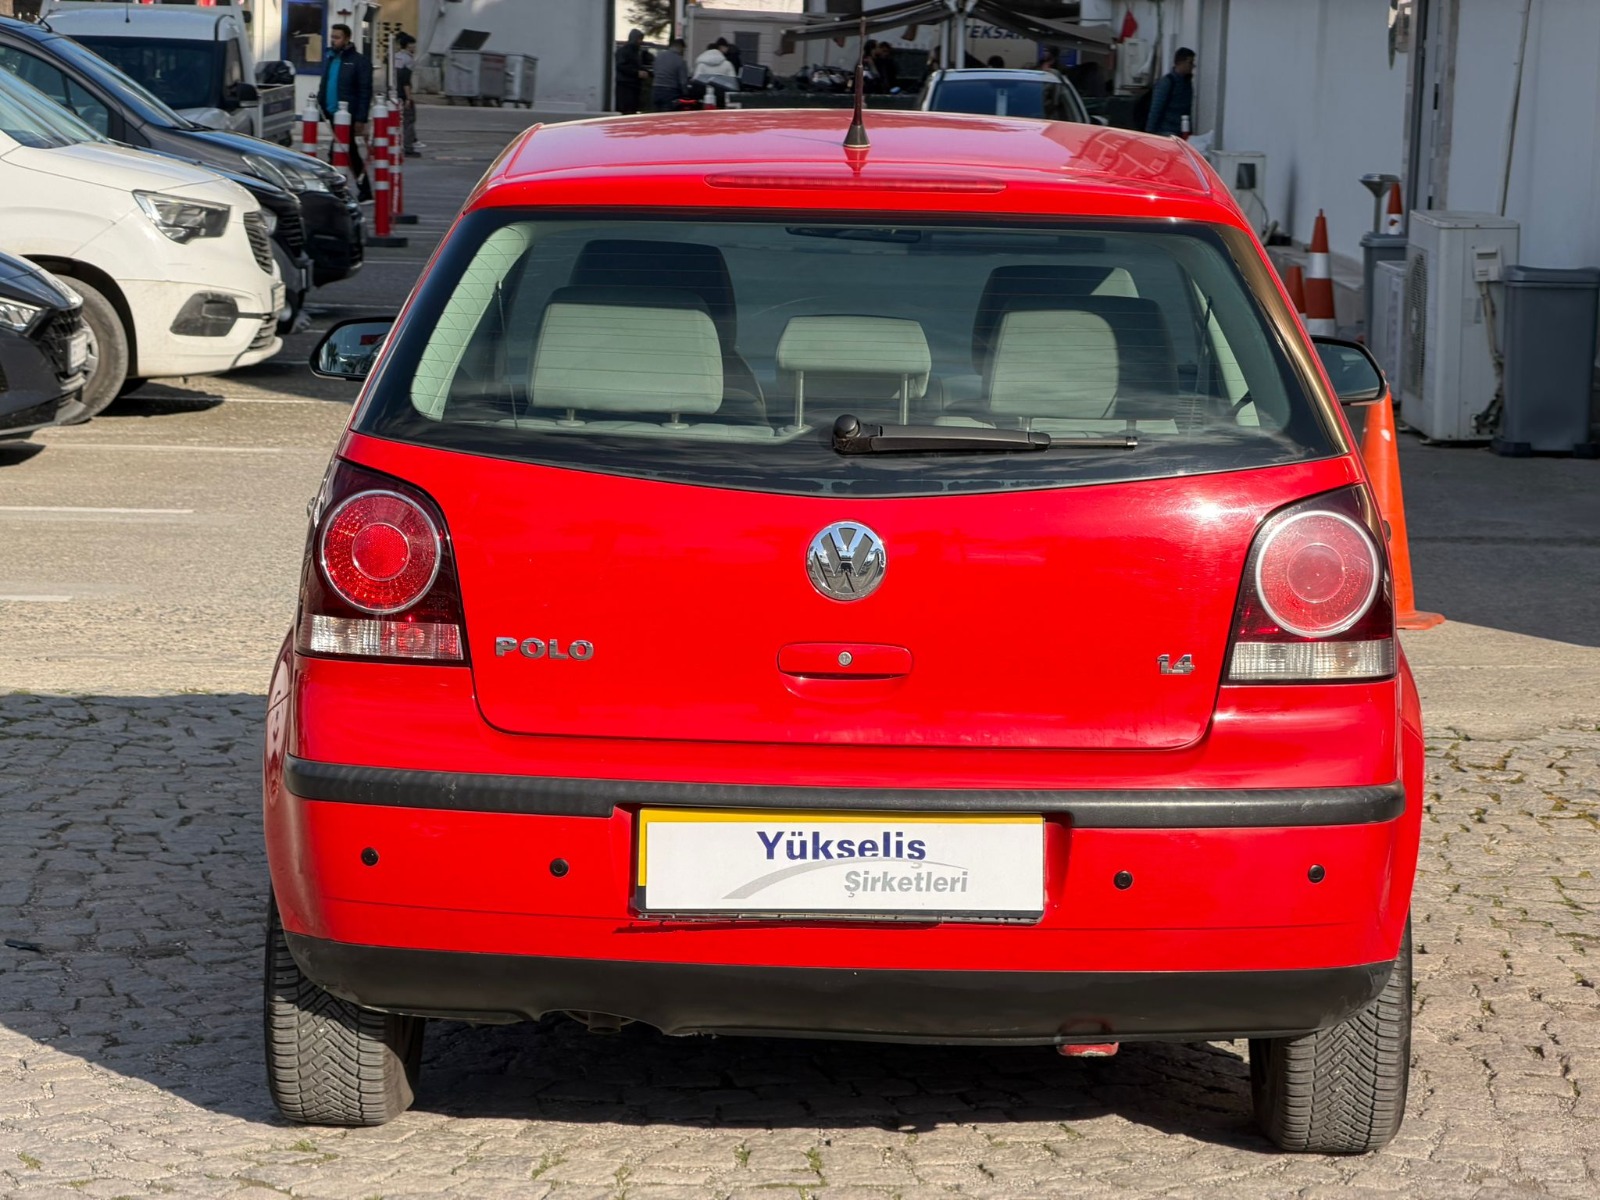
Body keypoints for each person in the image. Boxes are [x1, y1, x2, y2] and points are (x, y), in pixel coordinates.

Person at [319, 23, 374, 200]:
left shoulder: (359, 61)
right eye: (332, 37)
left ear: (347, 38)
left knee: (343, 153)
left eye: (337, 37)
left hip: (348, 116)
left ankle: (353, 190)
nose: (333, 41)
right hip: (332, 113)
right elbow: (326, 83)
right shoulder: (331, 58)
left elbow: (365, 91)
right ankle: (354, 190)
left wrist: (361, 118)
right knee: (346, 153)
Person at [1145, 46, 1195, 135]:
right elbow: (1156, 109)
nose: (1192, 67)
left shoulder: (1187, 82)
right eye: (1190, 63)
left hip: (1182, 131)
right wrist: (1149, 133)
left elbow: (1187, 110)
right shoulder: (1167, 82)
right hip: (1165, 131)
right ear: (1180, 62)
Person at [393, 32, 422, 157]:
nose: (414, 47)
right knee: (409, 119)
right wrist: (408, 97)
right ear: (407, 45)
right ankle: (409, 147)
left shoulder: (396, 56)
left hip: (394, 92)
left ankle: (411, 140)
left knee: (396, 120)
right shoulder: (408, 59)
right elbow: (405, 80)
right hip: (403, 93)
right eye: (413, 45)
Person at [692, 41, 738, 109]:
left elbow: (695, 82)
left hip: (705, 99)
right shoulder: (727, 64)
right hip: (723, 100)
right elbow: (734, 83)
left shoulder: (701, 65)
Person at [614, 28, 649, 114]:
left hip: (632, 85)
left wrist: (644, 71)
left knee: (631, 109)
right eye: (639, 39)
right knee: (627, 110)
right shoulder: (626, 51)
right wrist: (637, 73)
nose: (641, 41)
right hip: (626, 86)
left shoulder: (635, 51)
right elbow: (621, 66)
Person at [650, 37, 691, 111]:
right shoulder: (680, 61)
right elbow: (683, 82)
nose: (683, 52)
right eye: (683, 50)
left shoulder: (659, 56)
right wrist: (686, 94)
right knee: (667, 117)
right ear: (680, 47)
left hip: (656, 90)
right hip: (670, 92)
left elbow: (655, 71)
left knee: (656, 115)